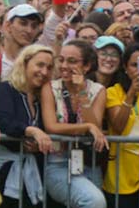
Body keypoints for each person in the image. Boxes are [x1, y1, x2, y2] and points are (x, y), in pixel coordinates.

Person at [40, 39, 108, 208]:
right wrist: (86, 127)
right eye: (61, 59)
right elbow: (51, 126)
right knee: (95, 201)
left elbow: (95, 126)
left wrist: (82, 93)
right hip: (58, 163)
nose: (64, 65)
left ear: (86, 66)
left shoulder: (98, 90)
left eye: (72, 61)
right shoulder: (50, 88)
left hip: (88, 163)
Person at [0, 45, 55, 207]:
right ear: (24, 64)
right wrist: (30, 131)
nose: (44, 72)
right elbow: (2, 120)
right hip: (4, 172)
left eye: (49, 67)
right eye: (40, 65)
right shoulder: (5, 88)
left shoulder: (44, 98)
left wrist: (38, 145)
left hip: (34, 171)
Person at [104, 43, 139, 204]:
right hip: (122, 174)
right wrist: (131, 93)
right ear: (125, 68)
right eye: (134, 65)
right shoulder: (113, 92)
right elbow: (118, 125)